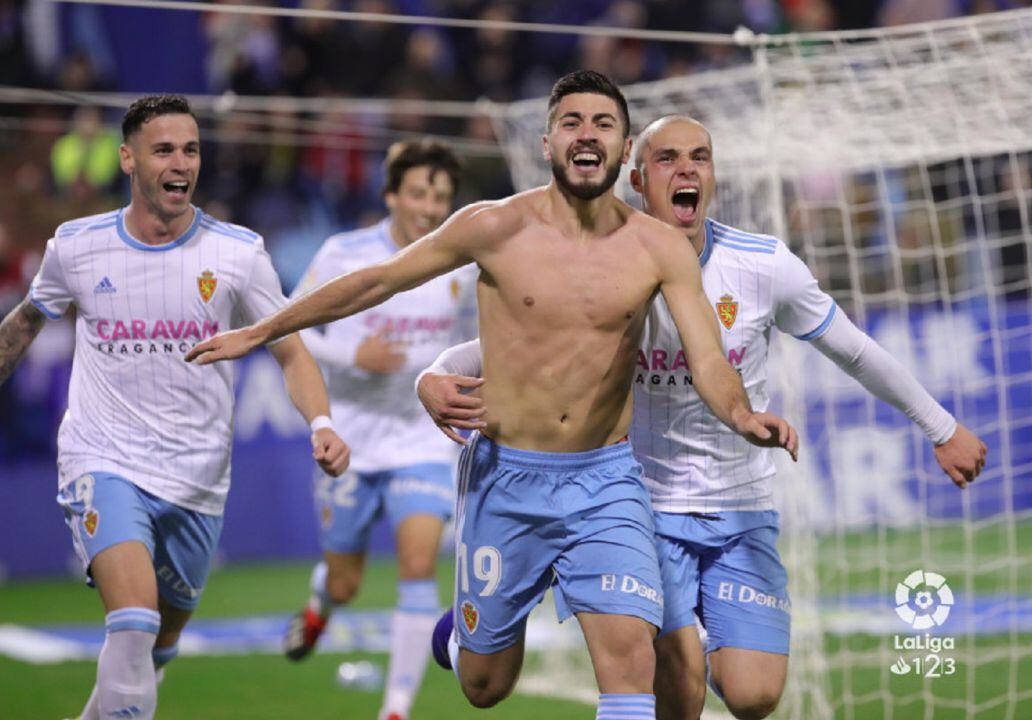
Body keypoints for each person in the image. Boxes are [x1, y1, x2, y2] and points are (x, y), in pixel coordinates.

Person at [186, 72, 796, 720]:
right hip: (508, 480)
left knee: (630, 663)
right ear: (546, 143)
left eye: (603, 124)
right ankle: (476, 625)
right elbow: (377, 282)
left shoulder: (658, 247)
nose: (586, 134)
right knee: (484, 685)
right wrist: (263, 328)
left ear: (623, 153)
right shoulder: (495, 226)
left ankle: (574, 570)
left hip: (607, 481)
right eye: (571, 122)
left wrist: (740, 414)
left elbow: (707, 355)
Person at [415, 114, 988, 720]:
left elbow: (852, 348)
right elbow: (497, 347)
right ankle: (553, 585)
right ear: (636, 177)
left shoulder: (764, 265)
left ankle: (555, 582)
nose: (686, 169)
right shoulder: (605, 265)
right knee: (677, 695)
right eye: (667, 159)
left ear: (712, 176)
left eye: (700, 157)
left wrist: (941, 427)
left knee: (754, 694)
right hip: (640, 508)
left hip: (741, 508)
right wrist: (430, 376)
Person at [0, 95, 350, 720]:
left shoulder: (238, 254)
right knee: (133, 620)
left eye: (191, 149)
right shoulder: (77, 247)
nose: (181, 162)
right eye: (164, 149)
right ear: (128, 159)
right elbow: (25, 323)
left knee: (155, 650)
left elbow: (292, 351)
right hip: (102, 457)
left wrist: (321, 423)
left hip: (196, 480)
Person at [282, 139, 476, 720]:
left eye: (441, 196)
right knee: (345, 583)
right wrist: (350, 352)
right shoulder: (344, 254)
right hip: (351, 440)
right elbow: (289, 330)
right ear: (391, 195)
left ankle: (394, 711)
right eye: (418, 192)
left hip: (422, 438)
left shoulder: (461, 265)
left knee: (419, 565)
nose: (429, 207)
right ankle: (321, 607)